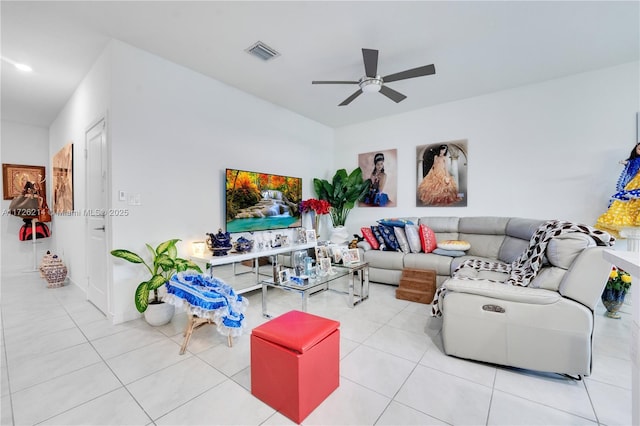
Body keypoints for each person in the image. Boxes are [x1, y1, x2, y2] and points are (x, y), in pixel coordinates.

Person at [596, 142, 640, 237]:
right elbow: (631, 166)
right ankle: (629, 220)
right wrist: (627, 163)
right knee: (628, 200)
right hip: (634, 183)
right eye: (639, 149)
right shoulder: (635, 161)